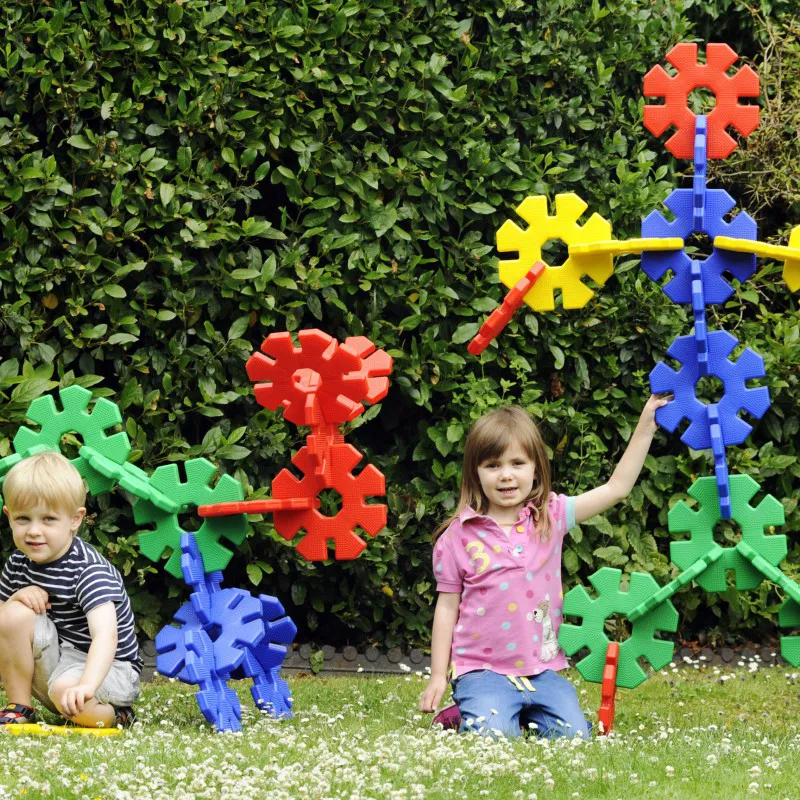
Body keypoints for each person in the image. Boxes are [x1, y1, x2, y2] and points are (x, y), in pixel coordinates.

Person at [418, 396, 668, 739]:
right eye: (492, 465)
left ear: (536, 468)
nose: (506, 475)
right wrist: (437, 676)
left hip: (542, 671)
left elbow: (617, 489)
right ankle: (468, 708)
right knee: (492, 739)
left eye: (517, 463)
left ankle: (510, 712)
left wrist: (646, 426)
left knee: (574, 738)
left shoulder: (549, 516)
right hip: (481, 671)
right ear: (475, 472)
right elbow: (446, 608)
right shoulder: (458, 536)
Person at [0, 451, 141, 727]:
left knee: (67, 691)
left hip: (109, 666)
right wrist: (15, 599)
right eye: (23, 519)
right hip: (62, 657)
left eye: (49, 519)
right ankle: (19, 707)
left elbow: (106, 636)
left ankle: (117, 713)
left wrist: (86, 685)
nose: (34, 531)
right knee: (12, 612)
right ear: (8, 516)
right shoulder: (18, 563)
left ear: (75, 520)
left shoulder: (88, 570)